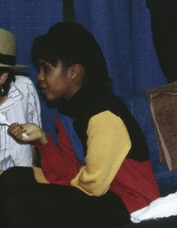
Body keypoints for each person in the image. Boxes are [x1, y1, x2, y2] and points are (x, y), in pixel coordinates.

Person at [0, 22, 160, 228]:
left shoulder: (103, 113)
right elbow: (68, 172)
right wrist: (43, 140)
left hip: (131, 202)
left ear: (74, 72)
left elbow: (94, 185)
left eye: (46, 69)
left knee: (21, 202)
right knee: (13, 177)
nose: (39, 76)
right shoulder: (69, 114)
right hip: (99, 195)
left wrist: (42, 188)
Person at [0, 28, 41, 171]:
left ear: (2, 77)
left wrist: (33, 179)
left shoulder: (25, 88)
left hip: (22, 181)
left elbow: (34, 141)